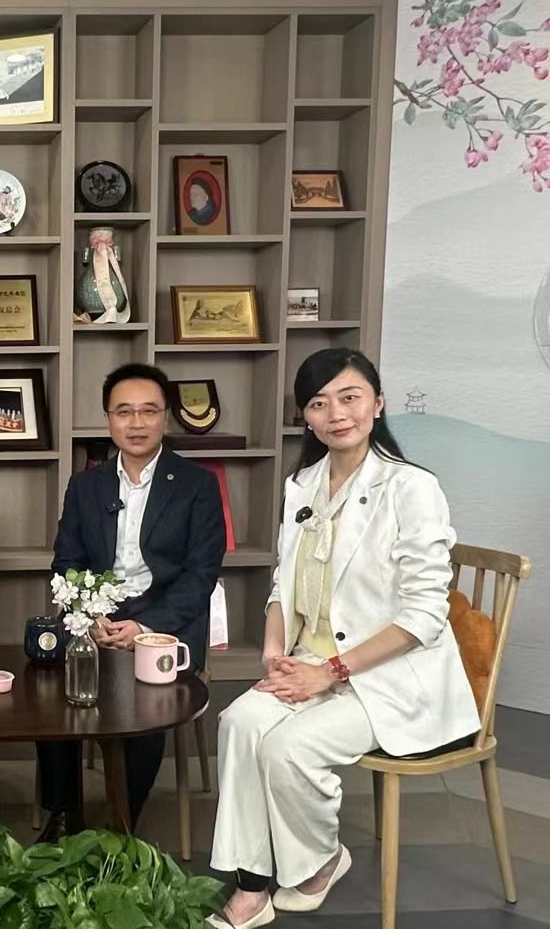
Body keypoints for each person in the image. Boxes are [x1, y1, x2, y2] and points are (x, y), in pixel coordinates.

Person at [206, 348, 480, 929]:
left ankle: (321, 860)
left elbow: (425, 616)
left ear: (378, 404)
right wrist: (275, 654)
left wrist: (328, 673)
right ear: (305, 417)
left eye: (350, 397)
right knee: (239, 722)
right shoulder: (302, 484)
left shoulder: (411, 487)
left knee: (288, 748)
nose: (336, 413)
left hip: (390, 676)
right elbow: (282, 584)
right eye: (318, 402)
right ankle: (252, 882)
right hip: (310, 658)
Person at [35, 363, 226, 842]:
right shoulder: (86, 485)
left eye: (148, 411)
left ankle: (120, 826)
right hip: (96, 619)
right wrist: (90, 615)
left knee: (146, 704)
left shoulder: (197, 485)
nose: (136, 423)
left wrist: (145, 627)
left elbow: (201, 574)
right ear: (108, 419)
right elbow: (66, 562)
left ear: (166, 417)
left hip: (164, 621)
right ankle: (63, 817)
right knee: (48, 694)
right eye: (124, 412)